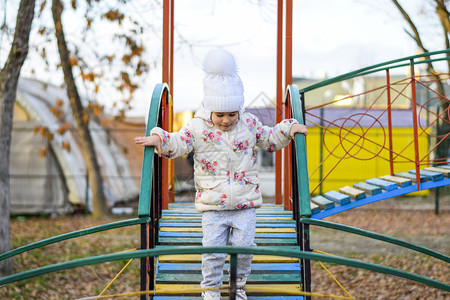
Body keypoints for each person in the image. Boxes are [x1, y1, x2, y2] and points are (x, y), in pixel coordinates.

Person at [134, 49, 307, 300]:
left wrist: (288, 127)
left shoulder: (249, 124)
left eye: (232, 115)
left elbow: (269, 139)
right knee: (213, 251)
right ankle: (211, 289)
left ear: (240, 109)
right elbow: (178, 142)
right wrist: (160, 138)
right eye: (220, 115)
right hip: (213, 205)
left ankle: (238, 287)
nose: (226, 120)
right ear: (209, 110)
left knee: (244, 249)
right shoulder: (197, 127)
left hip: (244, 204)